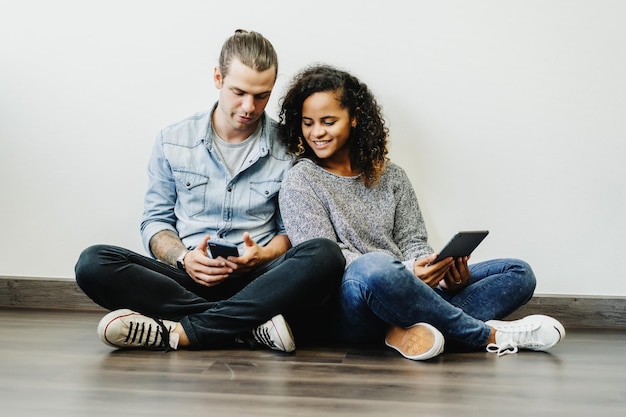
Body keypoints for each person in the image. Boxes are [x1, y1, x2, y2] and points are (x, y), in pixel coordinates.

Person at [74, 31, 345, 353]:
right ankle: (245, 327)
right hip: (188, 281)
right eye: (239, 92)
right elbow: (155, 222)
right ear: (218, 78)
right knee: (93, 262)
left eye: (262, 96)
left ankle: (181, 332)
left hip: (261, 281)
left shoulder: (289, 148)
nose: (249, 107)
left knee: (325, 253)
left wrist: (262, 255)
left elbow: (291, 232)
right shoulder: (173, 140)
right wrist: (185, 258)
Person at [276, 63, 565, 360]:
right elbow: (324, 263)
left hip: (408, 286)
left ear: (354, 118)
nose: (316, 132)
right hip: (350, 302)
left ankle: (413, 331)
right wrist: (404, 272)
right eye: (308, 123)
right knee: (374, 267)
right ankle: (488, 334)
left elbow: (413, 240)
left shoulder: (392, 176)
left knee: (517, 272)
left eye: (327, 121)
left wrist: (438, 273)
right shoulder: (301, 180)